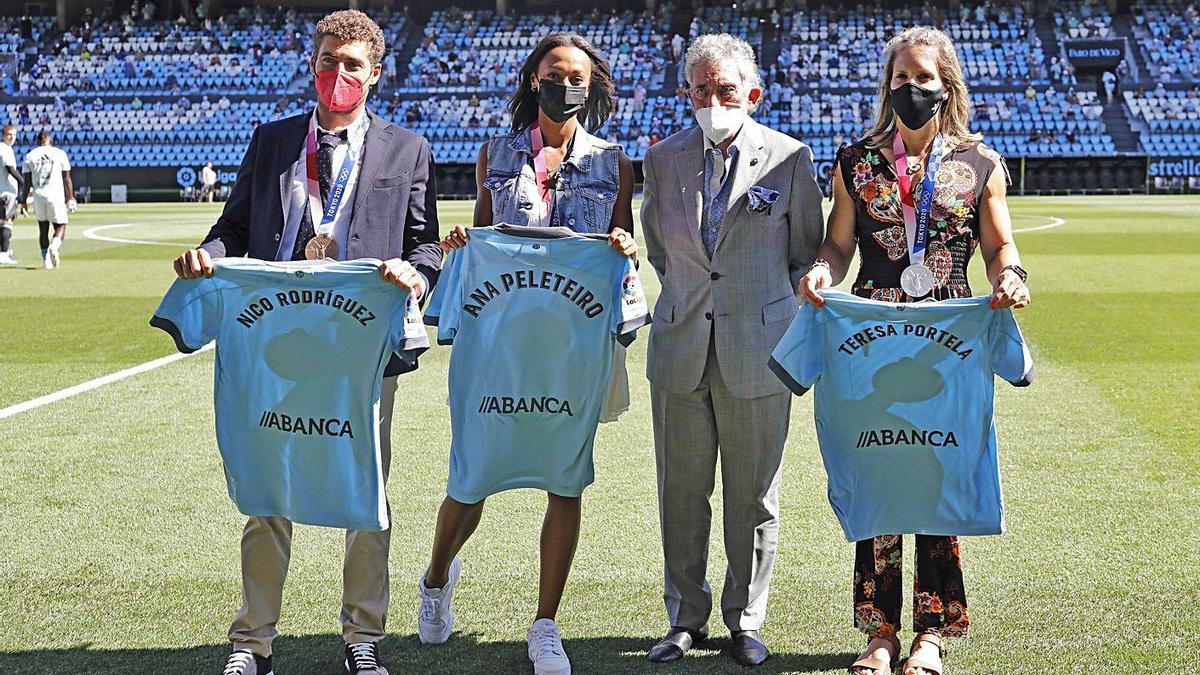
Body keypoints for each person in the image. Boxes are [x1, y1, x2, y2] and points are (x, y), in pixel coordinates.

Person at [170, 11, 441, 675]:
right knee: (268, 490)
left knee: (364, 488)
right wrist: (207, 255)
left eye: (353, 64)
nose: (339, 74)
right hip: (275, 338)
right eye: (328, 60)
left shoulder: (408, 150)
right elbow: (232, 227)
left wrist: (417, 272)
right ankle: (252, 642)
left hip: (362, 345)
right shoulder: (272, 141)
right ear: (312, 65)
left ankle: (362, 636)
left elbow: (426, 242)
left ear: (376, 73)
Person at [796, 26, 1031, 675]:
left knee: (936, 475)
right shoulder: (856, 162)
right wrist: (822, 270)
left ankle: (930, 631)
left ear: (945, 85)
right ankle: (879, 632)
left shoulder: (982, 163)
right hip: (871, 340)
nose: (911, 88)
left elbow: (998, 245)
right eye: (900, 78)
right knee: (879, 475)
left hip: (948, 344)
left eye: (923, 78)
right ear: (887, 86)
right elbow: (839, 245)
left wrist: (1011, 276)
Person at [422, 32, 636, 675]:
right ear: (531, 80)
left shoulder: (615, 163)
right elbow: (483, 239)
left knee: (564, 479)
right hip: (500, 342)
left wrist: (622, 247)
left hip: (571, 345)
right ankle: (435, 579)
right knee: (473, 477)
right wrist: (464, 240)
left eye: (575, 75)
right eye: (552, 72)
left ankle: (545, 623)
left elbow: (616, 249)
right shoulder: (496, 151)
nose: (563, 84)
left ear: (593, 85)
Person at [639, 33, 824, 667]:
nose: (712, 100)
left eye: (724, 90)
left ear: (752, 93)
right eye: (700, 89)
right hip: (681, 344)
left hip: (760, 348)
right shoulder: (663, 159)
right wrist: (693, 299)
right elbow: (661, 249)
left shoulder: (790, 158)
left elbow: (806, 251)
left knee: (754, 494)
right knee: (681, 492)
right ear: (687, 91)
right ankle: (685, 617)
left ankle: (746, 619)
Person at [19, 130, 74, 270]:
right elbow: (66, 177)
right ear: (50, 140)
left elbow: (26, 183)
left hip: (38, 195)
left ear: (38, 142)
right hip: (55, 194)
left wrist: (23, 201)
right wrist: (70, 197)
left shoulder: (29, 156)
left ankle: (46, 261)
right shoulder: (60, 153)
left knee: (43, 229)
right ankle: (54, 247)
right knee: (61, 225)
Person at [0, 124, 22, 265]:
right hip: (6, 191)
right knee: (7, 224)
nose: (12, 137)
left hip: (2, 190)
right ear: (3, 135)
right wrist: (25, 183)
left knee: (2, 223)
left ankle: (4, 251)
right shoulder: (6, 149)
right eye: (9, 134)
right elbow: (10, 169)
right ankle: (4, 254)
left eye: (14, 135)